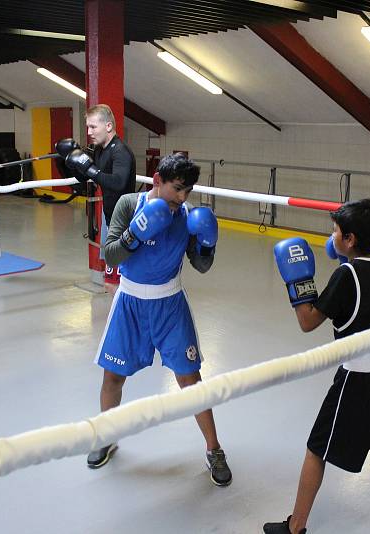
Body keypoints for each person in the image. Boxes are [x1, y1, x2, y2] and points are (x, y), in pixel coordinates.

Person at [266, 199, 370, 534]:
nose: (332, 235)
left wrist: (297, 283)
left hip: (360, 378)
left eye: (336, 231)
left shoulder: (346, 275)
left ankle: (295, 527)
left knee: (316, 450)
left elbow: (308, 322)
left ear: (350, 239)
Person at [85, 152, 232, 486]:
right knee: (113, 378)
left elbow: (202, 266)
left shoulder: (189, 215)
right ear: (158, 180)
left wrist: (207, 245)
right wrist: (135, 233)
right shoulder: (128, 204)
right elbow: (109, 254)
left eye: (188, 191)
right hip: (130, 303)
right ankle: (107, 435)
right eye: (177, 189)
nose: (182, 198)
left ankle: (214, 449)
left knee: (190, 381)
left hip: (169, 304)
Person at [57, 104, 136, 294]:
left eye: (93, 127)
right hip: (110, 217)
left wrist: (90, 169)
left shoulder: (121, 152)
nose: (89, 132)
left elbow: (117, 182)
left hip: (124, 222)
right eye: (88, 127)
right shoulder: (100, 150)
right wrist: (70, 162)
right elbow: (86, 178)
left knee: (114, 283)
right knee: (112, 283)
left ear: (108, 126)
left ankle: (123, 321)